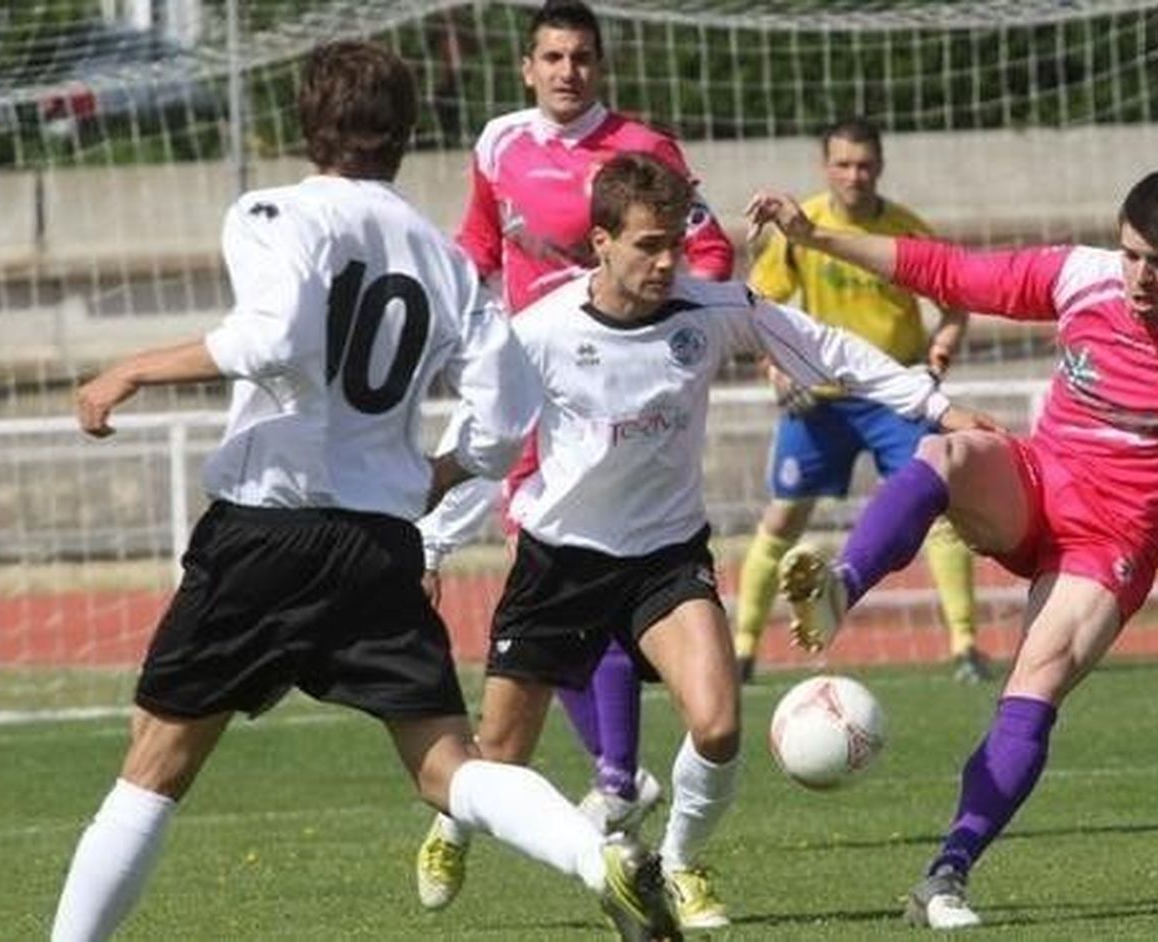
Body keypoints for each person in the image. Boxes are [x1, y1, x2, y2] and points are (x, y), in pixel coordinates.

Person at [50, 42, 680, 942]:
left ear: (308, 124)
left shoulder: (275, 213)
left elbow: (272, 338)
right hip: (377, 542)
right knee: (446, 766)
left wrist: (132, 369)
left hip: (268, 531)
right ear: (405, 134)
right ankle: (596, 857)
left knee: (154, 765)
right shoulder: (444, 258)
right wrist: (442, 473)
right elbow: (506, 413)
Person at [747, 167, 1158, 930]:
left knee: (1034, 682)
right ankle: (841, 585)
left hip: (1111, 546)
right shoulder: (1085, 277)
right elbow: (948, 271)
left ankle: (946, 874)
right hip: (1037, 486)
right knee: (950, 452)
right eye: (1131, 254)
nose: (1139, 276)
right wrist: (815, 239)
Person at [421, 151, 988, 931]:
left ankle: (678, 864)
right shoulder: (539, 335)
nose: (665, 262)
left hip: (666, 559)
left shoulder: (711, 310)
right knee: (497, 753)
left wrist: (935, 405)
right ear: (600, 243)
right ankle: (453, 824)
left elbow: (829, 350)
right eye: (647, 245)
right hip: (560, 562)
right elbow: (479, 444)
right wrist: (429, 544)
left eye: (675, 245)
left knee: (718, 727)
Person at [414, 0, 734, 912]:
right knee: (557, 575)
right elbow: (476, 244)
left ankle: (619, 787)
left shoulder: (647, 152)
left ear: (602, 66)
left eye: (582, 57)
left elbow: (707, 246)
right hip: (537, 383)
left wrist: (681, 328)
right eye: (552, 57)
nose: (567, 72)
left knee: (591, 567)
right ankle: (480, 810)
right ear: (527, 67)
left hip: (619, 394)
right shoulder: (498, 144)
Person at [733, 116, 985, 685]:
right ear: (826, 168)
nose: (855, 175)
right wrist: (774, 369)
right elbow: (758, 310)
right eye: (843, 164)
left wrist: (936, 362)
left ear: (881, 165)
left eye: (865, 164)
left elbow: (955, 305)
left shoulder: (906, 230)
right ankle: (744, 648)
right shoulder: (800, 227)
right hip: (820, 398)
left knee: (938, 506)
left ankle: (965, 645)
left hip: (893, 395)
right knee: (784, 515)